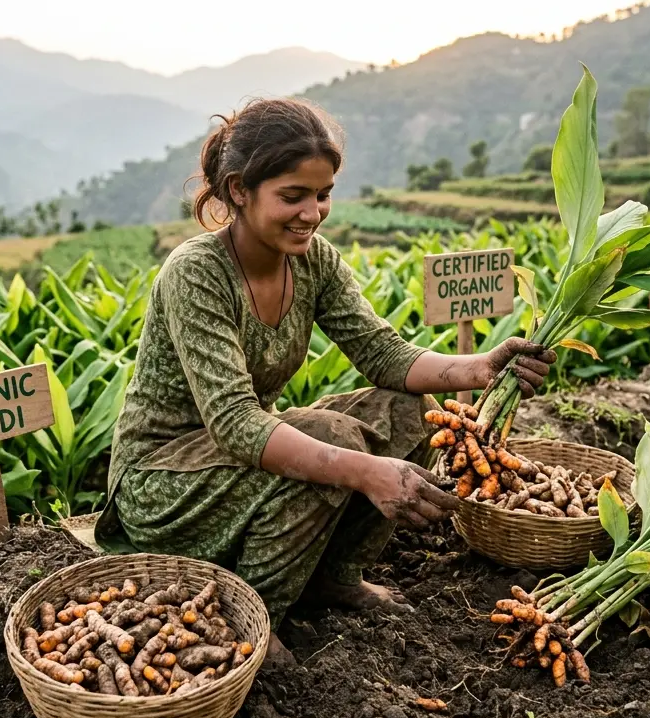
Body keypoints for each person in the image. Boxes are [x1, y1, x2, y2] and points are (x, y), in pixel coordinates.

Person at [94, 97, 555, 662]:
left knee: (410, 408)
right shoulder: (197, 273)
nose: (311, 212)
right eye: (292, 197)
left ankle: (334, 575)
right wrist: (365, 472)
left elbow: (384, 355)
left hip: (231, 456)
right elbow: (236, 422)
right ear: (239, 190)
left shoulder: (313, 262)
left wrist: (481, 367)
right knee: (337, 442)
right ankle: (250, 619)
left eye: (322, 195)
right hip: (162, 480)